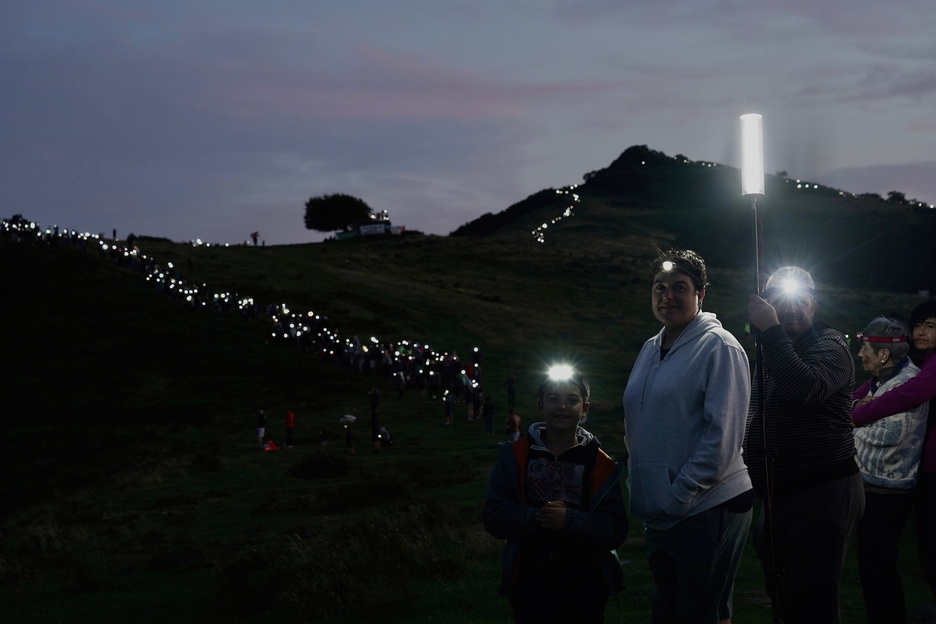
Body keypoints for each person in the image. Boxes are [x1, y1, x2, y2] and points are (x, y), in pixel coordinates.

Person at [623, 248, 753, 623]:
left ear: (701, 295)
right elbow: (638, 419)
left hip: (704, 504)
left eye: (680, 287)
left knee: (698, 613)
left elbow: (724, 435)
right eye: (659, 288)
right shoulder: (651, 348)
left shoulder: (720, 347)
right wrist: (642, 484)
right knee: (670, 609)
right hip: (661, 509)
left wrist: (681, 492)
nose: (668, 296)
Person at [745, 266, 864, 623]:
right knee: (782, 593)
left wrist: (771, 330)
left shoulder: (830, 345)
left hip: (821, 488)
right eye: (780, 303)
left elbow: (804, 389)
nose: (792, 310)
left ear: (813, 306)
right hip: (778, 491)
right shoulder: (770, 349)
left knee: (813, 599)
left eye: (801, 302)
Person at [483, 370, 629, 624]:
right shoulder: (515, 455)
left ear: (585, 409)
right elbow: (494, 514)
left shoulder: (601, 463)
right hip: (529, 581)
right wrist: (535, 517)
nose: (562, 406)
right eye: (553, 399)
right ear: (541, 406)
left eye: (572, 400)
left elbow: (615, 528)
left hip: (586, 584)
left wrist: (570, 521)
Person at [852, 298, 936, 606]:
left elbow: (910, 396)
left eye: (930, 326)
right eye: (918, 325)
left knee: (918, 556)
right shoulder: (901, 369)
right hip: (905, 477)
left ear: (885, 353)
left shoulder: (919, 374)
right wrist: (852, 408)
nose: (921, 332)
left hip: (906, 482)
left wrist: (856, 417)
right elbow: (860, 393)